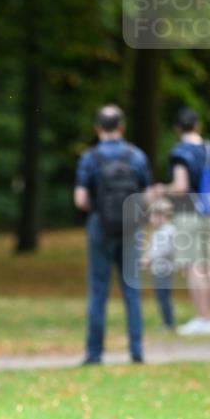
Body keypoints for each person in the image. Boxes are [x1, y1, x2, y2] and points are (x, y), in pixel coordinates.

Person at [74, 104, 152, 364]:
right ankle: (136, 351)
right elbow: (146, 197)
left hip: (100, 226)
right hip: (131, 226)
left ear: (97, 128)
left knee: (98, 291)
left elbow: (80, 199)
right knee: (132, 290)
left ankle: (94, 353)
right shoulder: (137, 156)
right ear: (122, 127)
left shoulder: (90, 158)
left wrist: (101, 209)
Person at [154, 107, 210, 336]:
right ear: (198, 125)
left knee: (193, 266)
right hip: (209, 214)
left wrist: (162, 189)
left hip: (187, 213)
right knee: (207, 266)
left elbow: (180, 186)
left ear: (177, 129)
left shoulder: (179, 152)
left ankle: (202, 318)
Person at [141, 197, 176, 331]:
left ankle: (168, 323)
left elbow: (163, 250)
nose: (150, 220)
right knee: (162, 297)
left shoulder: (166, 231)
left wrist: (148, 258)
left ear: (161, 216)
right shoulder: (161, 230)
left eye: (152, 216)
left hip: (163, 270)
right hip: (159, 269)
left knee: (163, 297)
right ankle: (167, 321)